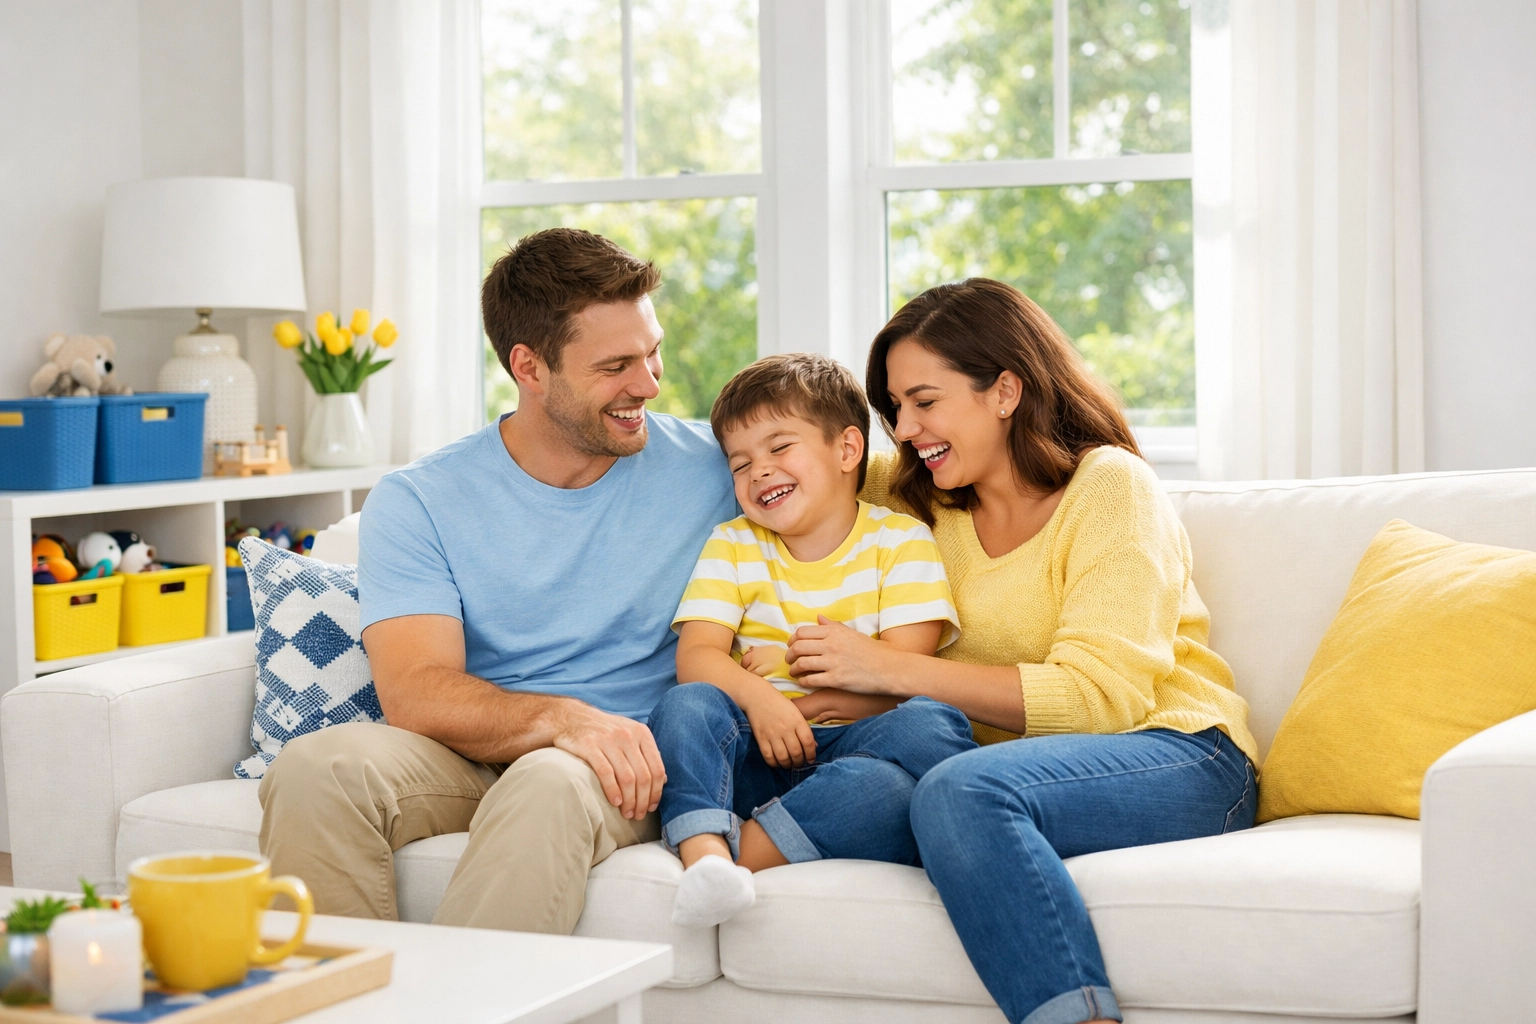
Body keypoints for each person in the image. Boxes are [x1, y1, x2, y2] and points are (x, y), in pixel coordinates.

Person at [781, 278, 1260, 1024]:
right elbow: (778, 452)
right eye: (894, 408)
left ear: (1005, 390)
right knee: (882, 786)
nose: (904, 428)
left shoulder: (1110, 488)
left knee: (960, 792)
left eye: (924, 401)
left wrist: (889, 669)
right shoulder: (909, 498)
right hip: (1009, 771)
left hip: (1181, 754)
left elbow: (1100, 700)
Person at [257, 228, 738, 933]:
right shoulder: (421, 498)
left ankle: (468, 993)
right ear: (529, 367)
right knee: (314, 768)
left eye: (652, 352)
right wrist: (560, 719)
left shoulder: (717, 469)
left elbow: (840, 488)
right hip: (472, 753)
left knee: (550, 779)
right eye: (616, 365)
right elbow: (414, 690)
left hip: (624, 758)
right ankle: (337, 991)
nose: (648, 383)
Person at [648, 353, 975, 928]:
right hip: (753, 750)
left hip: (856, 747)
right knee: (687, 705)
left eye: (779, 447)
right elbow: (696, 657)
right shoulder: (734, 544)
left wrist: (802, 703)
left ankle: (741, 856)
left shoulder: (901, 542)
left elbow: (906, 680)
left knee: (929, 728)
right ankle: (704, 856)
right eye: (740, 463)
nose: (759, 472)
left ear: (847, 450)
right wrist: (762, 703)